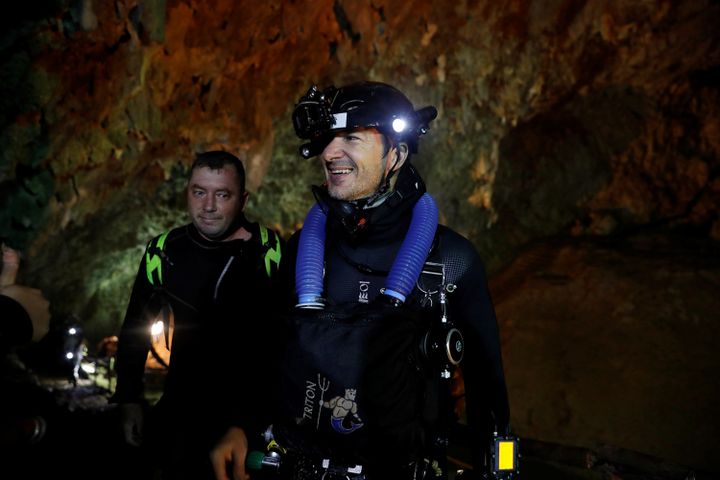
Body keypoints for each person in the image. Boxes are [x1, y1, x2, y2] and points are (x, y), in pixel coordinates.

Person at [211, 82, 511, 480]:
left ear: (396, 155)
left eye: (351, 137)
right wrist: (239, 425)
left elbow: (487, 387)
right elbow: (269, 349)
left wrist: (500, 470)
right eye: (328, 139)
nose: (330, 153)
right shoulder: (306, 248)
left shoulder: (450, 260)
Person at [112, 151, 283, 480]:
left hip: (247, 416)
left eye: (222, 195)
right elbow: (135, 327)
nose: (208, 206)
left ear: (243, 199)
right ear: (187, 192)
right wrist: (129, 398)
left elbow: (284, 342)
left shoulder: (268, 253)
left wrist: (251, 421)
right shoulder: (163, 251)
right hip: (181, 409)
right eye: (199, 192)